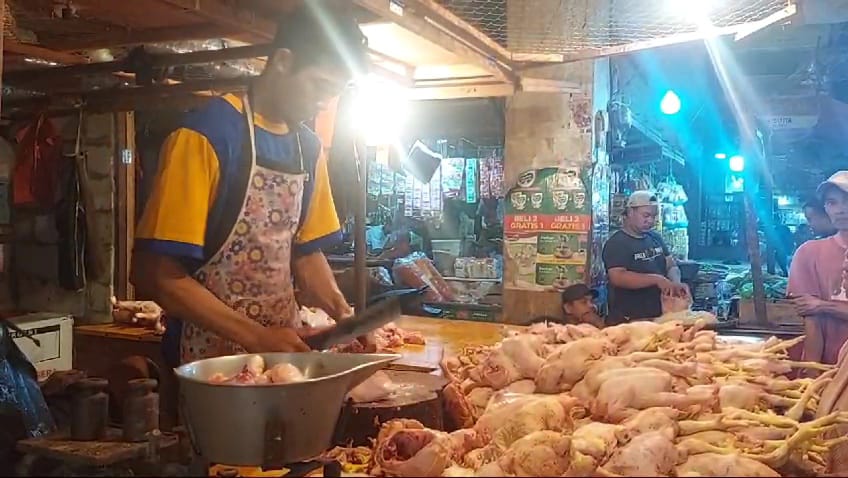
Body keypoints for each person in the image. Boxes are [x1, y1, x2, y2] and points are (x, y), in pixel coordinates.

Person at [131, 3, 369, 366]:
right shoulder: (205, 137)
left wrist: (343, 312)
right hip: (206, 362)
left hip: (284, 356)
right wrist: (257, 337)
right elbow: (157, 275)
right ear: (283, 61)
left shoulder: (307, 148)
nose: (323, 103)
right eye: (319, 86)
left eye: (332, 93)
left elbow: (306, 253)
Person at [602, 191, 688, 325]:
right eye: (646, 215)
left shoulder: (655, 237)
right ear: (630, 212)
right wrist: (656, 279)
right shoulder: (617, 242)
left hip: (658, 316)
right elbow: (617, 277)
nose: (650, 221)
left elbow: (671, 264)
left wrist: (675, 282)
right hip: (630, 319)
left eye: (654, 216)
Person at [789, 171, 848, 365]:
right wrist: (813, 376)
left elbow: (816, 307)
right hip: (829, 370)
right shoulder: (809, 254)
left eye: (847, 200)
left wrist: (824, 306)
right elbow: (811, 321)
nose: (841, 209)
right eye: (832, 203)